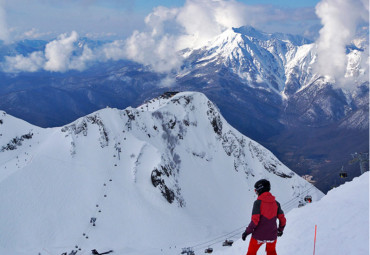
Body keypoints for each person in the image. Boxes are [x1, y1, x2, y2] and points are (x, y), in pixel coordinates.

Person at [242, 179, 286, 255]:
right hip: (272, 235)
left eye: (256, 190)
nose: (256, 192)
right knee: (271, 252)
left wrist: (246, 232)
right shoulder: (276, 203)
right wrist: (280, 230)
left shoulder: (258, 203)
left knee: (251, 253)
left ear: (260, 190)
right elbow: (282, 219)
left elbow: (255, 221)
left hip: (258, 236)